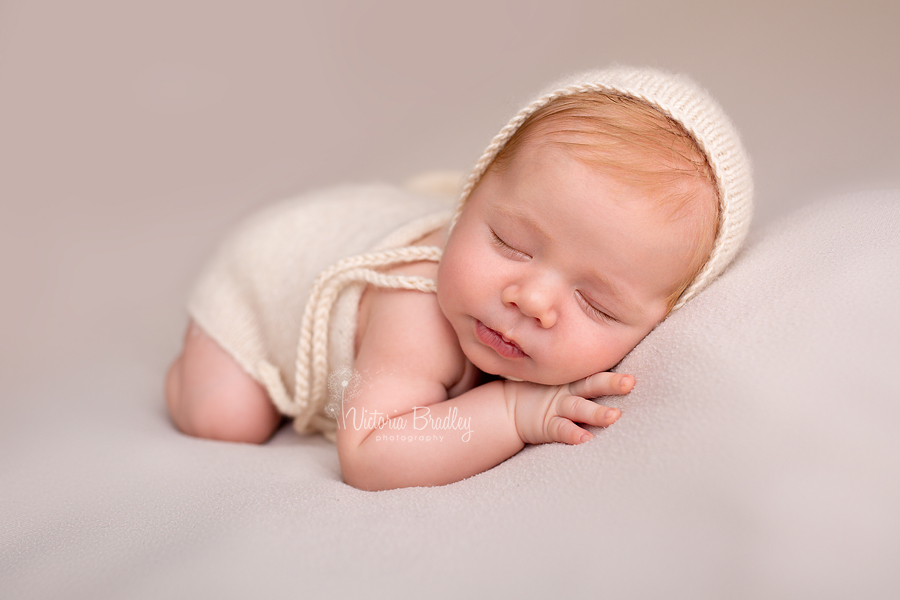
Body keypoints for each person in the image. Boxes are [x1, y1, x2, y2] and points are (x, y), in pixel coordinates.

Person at [165, 67, 753, 491]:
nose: (532, 300)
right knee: (225, 419)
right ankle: (192, 357)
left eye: (596, 304)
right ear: (468, 201)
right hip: (268, 269)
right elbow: (371, 454)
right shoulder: (417, 312)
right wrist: (512, 413)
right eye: (510, 244)